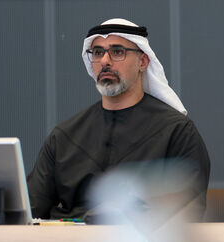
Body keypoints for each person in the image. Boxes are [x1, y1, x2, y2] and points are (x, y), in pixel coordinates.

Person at [27, 18, 210, 221]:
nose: (105, 61)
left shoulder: (176, 131)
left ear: (143, 62)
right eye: (98, 52)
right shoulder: (64, 136)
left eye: (117, 51)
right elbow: (30, 209)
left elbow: (187, 212)